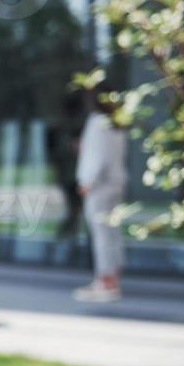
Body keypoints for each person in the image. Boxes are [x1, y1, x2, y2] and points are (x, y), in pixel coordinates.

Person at [74, 92, 128, 302]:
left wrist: (87, 181)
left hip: (99, 185)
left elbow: (97, 155)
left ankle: (105, 281)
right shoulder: (117, 121)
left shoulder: (97, 121)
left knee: (101, 233)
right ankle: (113, 276)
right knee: (112, 231)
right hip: (116, 182)